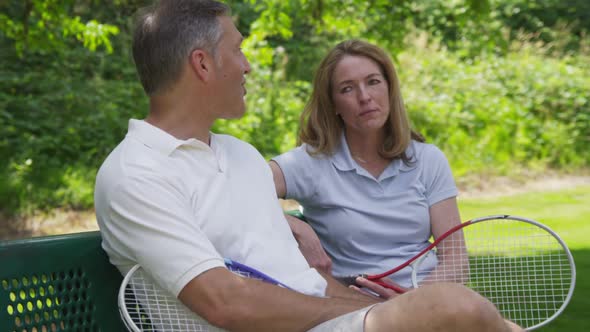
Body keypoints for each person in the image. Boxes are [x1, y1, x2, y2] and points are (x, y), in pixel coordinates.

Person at [94, 1, 522, 331]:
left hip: (325, 321)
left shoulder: (240, 156)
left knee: (470, 317)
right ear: (203, 64)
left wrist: (291, 226)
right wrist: (374, 309)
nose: (247, 64)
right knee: (456, 308)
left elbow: (308, 280)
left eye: (374, 83)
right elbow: (227, 303)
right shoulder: (136, 174)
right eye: (238, 50)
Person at [270, 39, 466, 293]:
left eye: (373, 82)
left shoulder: (428, 159)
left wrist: (415, 302)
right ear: (333, 105)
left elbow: (456, 261)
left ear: (389, 88)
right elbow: (238, 189)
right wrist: (293, 225)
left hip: (429, 296)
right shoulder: (310, 162)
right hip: (359, 307)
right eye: (347, 89)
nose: (365, 97)